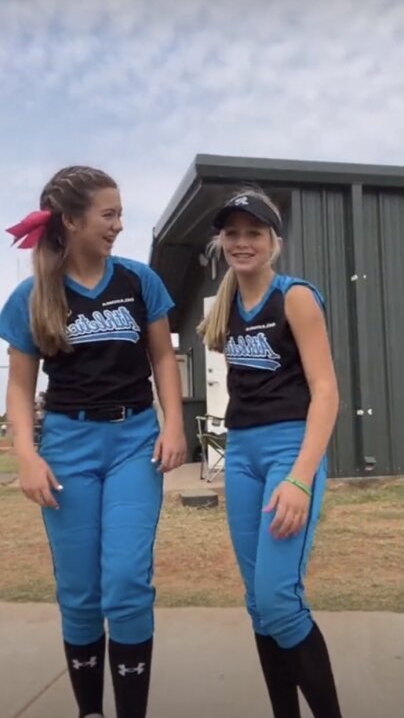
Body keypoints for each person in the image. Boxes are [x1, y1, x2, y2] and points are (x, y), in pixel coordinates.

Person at [0, 165, 187, 718]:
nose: (118, 225)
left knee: (126, 583)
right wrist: (26, 455)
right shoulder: (33, 295)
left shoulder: (138, 281)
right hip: (67, 447)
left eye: (119, 214)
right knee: (80, 592)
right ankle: (90, 712)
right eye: (109, 214)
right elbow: (19, 386)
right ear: (71, 220)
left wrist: (174, 424)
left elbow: (162, 357)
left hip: (134, 442)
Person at [198, 187, 343, 718]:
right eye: (232, 233)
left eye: (253, 233)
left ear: (274, 242)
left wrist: (300, 478)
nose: (242, 242)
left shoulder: (295, 297)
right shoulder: (225, 308)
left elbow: (326, 391)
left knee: (280, 599)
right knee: (259, 604)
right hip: (242, 453)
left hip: (289, 450)